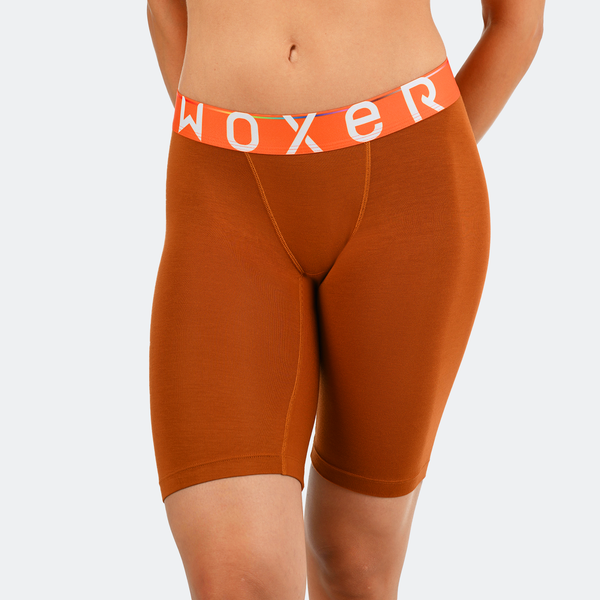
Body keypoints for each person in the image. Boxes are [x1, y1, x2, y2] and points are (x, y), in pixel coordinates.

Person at [146, 0, 545, 598]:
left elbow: (517, 23)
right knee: (235, 579)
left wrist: (423, 158)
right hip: (222, 187)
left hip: (406, 180)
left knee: (353, 559)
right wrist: (224, 137)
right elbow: (163, 8)